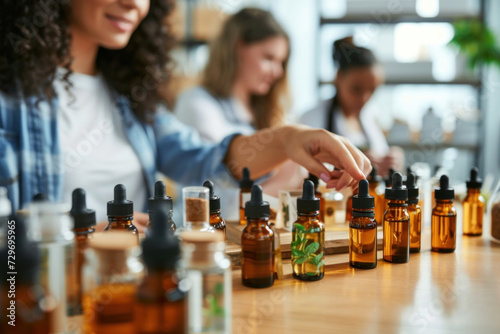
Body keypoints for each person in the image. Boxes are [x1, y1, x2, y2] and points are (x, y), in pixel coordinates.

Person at [0, 0, 370, 231]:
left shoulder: (131, 101)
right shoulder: (9, 99)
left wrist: (289, 138)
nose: (132, 3)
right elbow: (9, 244)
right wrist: (83, 236)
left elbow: (205, 163)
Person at [175, 8, 305, 212]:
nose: (278, 71)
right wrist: (283, 182)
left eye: (281, 62)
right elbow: (209, 197)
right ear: (238, 47)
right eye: (268, 58)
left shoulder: (267, 112)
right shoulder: (196, 102)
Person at [300, 37, 403, 177]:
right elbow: (299, 174)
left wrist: (392, 160)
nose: (364, 98)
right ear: (339, 78)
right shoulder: (310, 120)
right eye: (356, 89)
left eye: (372, 90)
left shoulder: (369, 119)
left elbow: (381, 156)